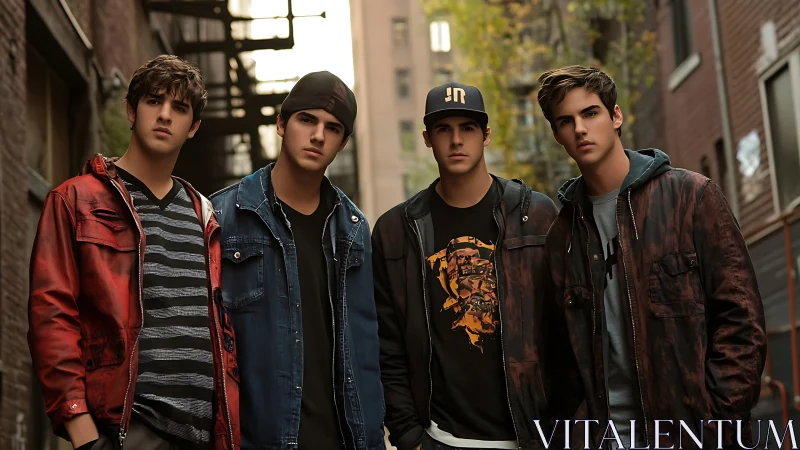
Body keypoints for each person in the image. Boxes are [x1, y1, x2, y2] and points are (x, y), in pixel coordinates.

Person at [536, 65, 767, 449]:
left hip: (690, 436)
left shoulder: (691, 198)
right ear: (557, 134)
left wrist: (718, 421)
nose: (580, 129)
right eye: (566, 121)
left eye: (590, 113)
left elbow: (741, 319)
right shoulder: (563, 237)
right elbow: (560, 359)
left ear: (615, 116)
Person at [28, 55, 240, 450]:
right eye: (153, 101)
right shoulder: (75, 199)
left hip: (204, 434)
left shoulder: (205, 214)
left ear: (193, 127)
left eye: (179, 108)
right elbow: (51, 316)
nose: (164, 115)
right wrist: (83, 433)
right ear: (131, 109)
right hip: (129, 431)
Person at [372, 82, 560, 450]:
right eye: (444, 129)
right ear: (427, 138)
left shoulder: (535, 215)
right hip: (440, 439)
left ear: (486, 135)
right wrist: (410, 437)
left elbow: (565, 334)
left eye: (468, 128)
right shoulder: (398, 231)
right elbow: (387, 348)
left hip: (532, 437)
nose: (456, 140)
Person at [210, 71, 386, 450]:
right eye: (307, 120)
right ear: (281, 123)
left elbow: (370, 349)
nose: (318, 135)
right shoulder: (222, 216)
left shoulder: (354, 231)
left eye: (333, 127)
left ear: (343, 142)